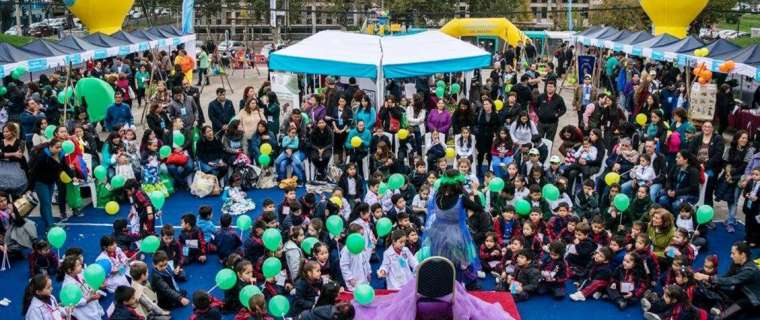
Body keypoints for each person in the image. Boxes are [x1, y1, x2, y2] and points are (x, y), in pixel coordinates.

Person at [422, 169, 483, 284]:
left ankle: (441, 285)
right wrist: (475, 192)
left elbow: (432, 212)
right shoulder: (462, 199)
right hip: (456, 235)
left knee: (439, 259)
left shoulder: (436, 196)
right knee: (457, 263)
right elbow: (479, 208)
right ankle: (457, 286)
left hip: (437, 233)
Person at [694, 241, 760, 319]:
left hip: (750, 298)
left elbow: (731, 280)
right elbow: (726, 276)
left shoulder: (750, 270)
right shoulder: (737, 262)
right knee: (714, 289)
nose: (731, 256)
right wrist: (712, 284)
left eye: (733, 253)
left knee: (722, 317)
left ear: (742, 255)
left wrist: (707, 277)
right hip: (740, 290)